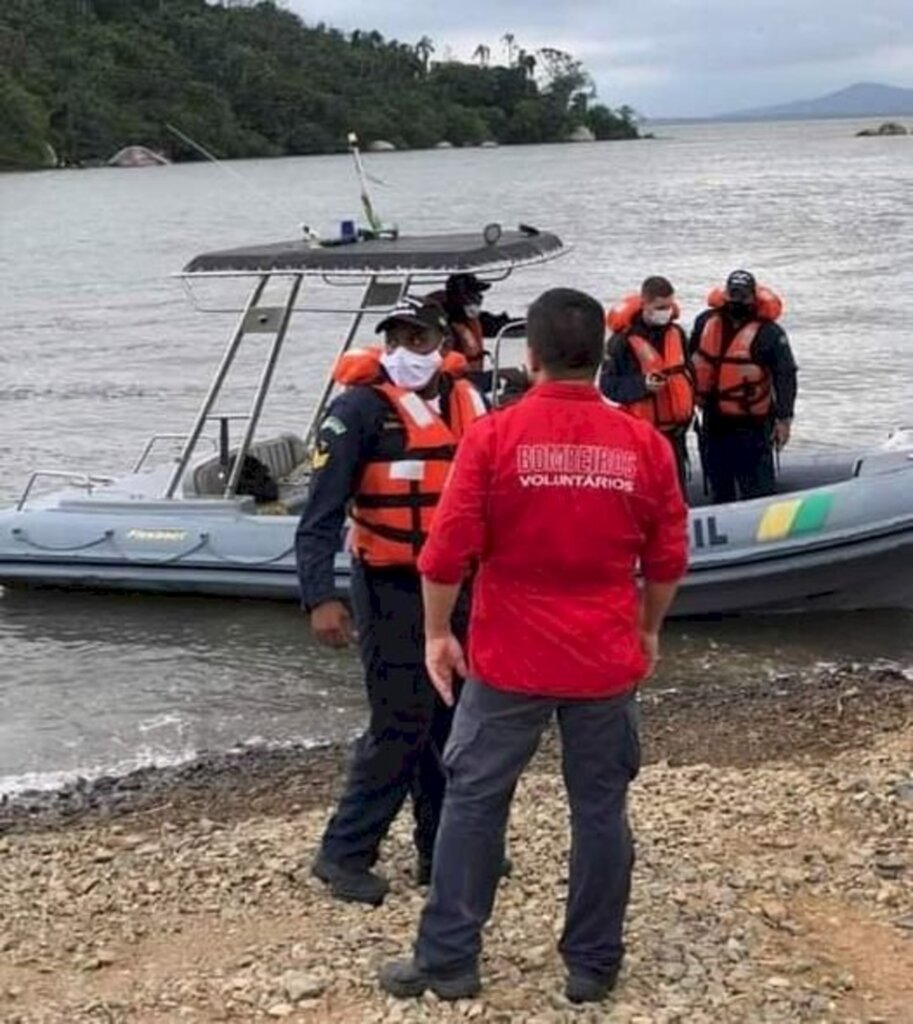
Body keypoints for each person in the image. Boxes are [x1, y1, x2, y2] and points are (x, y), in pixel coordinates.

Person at [378, 288, 689, 1004]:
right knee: (600, 808)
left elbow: (443, 554)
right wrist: (647, 630)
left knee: (475, 801)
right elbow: (668, 559)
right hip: (604, 658)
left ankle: (449, 958)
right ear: (602, 355)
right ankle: (592, 963)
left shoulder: (493, 437)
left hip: (510, 658)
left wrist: (434, 633)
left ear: (532, 356)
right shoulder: (643, 444)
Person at [295, 296, 487, 907]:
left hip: (456, 585)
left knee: (453, 720)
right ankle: (345, 851)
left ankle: (441, 850)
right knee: (400, 723)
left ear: (443, 342)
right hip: (389, 586)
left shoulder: (468, 400)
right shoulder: (356, 411)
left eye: (420, 338)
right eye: (397, 338)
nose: (407, 350)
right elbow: (319, 514)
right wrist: (319, 597)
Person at [690, 270, 797, 503]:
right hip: (714, 420)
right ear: (725, 295)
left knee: (758, 488)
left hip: (753, 424)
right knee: (720, 485)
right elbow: (690, 363)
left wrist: (784, 419)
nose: (737, 301)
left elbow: (785, 376)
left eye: (743, 296)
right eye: (733, 295)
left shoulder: (770, 333)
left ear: (752, 299)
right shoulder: (705, 323)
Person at [601, 276, 695, 491]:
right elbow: (608, 386)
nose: (666, 311)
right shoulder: (621, 342)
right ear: (644, 304)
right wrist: (642, 385)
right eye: (660, 307)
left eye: (669, 306)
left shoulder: (677, 333)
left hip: (676, 434)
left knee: (677, 492)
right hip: (642, 437)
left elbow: (688, 374)